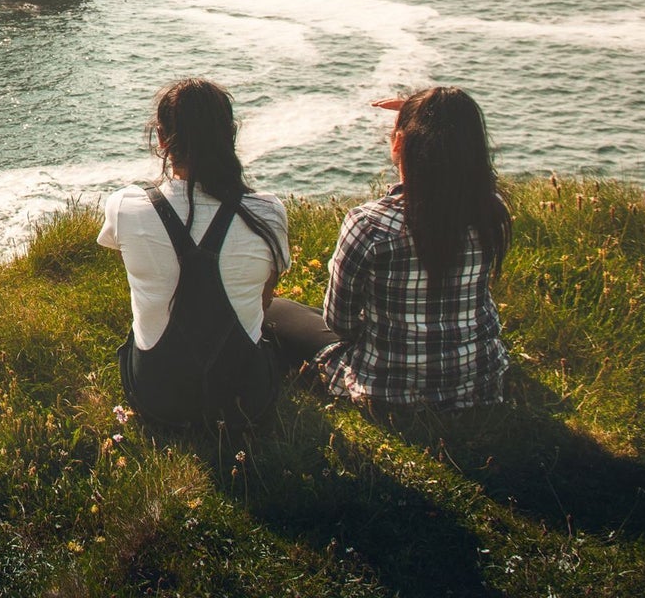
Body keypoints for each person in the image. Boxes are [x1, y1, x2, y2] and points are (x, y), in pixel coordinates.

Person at [267, 86, 513, 408]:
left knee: (273, 309)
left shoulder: (370, 223)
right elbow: (464, 145)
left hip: (385, 389)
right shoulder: (492, 211)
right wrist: (427, 112)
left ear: (399, 143)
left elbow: (340, 322)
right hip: (478, 380)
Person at [98, 78, 290, 428]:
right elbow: (264, 303)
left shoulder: (125, 205)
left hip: (157, 397)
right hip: (244, 401)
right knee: (284, 317)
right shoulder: (268, 212)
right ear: (230, 135)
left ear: (161, 139)